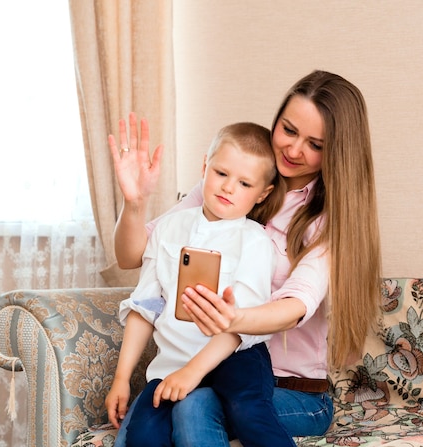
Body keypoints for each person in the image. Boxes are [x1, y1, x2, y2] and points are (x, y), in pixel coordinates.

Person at [110, 70, 382, 446]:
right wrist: (134, 204)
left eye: (315, 144)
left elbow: (294, 304)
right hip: (206, 367)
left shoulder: (330, 221)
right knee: (148, 425)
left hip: (291, 389)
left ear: (336, 150)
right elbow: (135, 255)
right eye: (289, 130)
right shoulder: (228, 180)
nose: (294, 149)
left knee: (194, 404)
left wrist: (235, 319)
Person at [105, 122, 295, 447]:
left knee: (248, 412)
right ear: (204, 166)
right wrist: (121, 378)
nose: (229, 188)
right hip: (172, 363)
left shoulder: (255, 241)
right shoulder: (168, 227)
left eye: (245, 183)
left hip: (236, 356)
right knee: (142, 436)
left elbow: (241, 326)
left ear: (262, 193)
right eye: (221, 173)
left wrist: (193, 372)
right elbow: (144, 307)